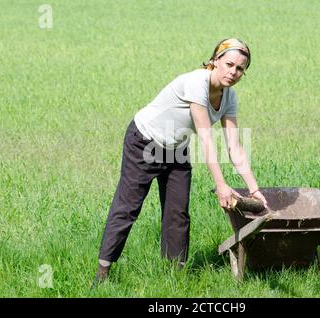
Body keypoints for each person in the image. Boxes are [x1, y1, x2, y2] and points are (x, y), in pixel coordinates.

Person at [94, 38, 268, 284]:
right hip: (145, 142)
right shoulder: (198, 82)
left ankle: (175, 277)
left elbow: (235, 147)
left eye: (240, 68)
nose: (233, 72)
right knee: (128, 208)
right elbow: (206, 138)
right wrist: (221, 185)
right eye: (229, 64)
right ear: (215, 61)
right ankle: (103, 273)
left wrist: (254, 189)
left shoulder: (229, 97)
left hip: (176, 149)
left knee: (178, 213)